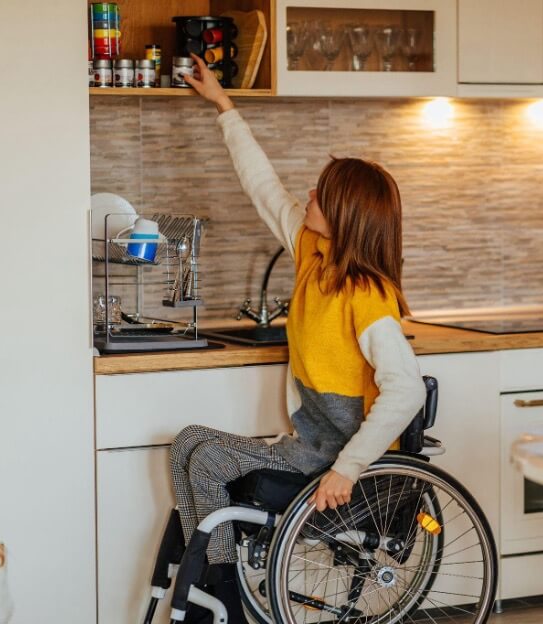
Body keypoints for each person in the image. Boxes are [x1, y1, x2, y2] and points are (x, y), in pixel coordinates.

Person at [169, 54, 426, 620]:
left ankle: (221, 589)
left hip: (337, 459)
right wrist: (224, 106)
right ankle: (215, 573)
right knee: (188, 442)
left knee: (207, 459)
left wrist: (349, 467)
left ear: (344, 216)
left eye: (320, 193)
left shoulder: (367, 294)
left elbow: (406, 391)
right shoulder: (314, 254)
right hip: (309, 444)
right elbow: (263, 185)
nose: (306, 194)